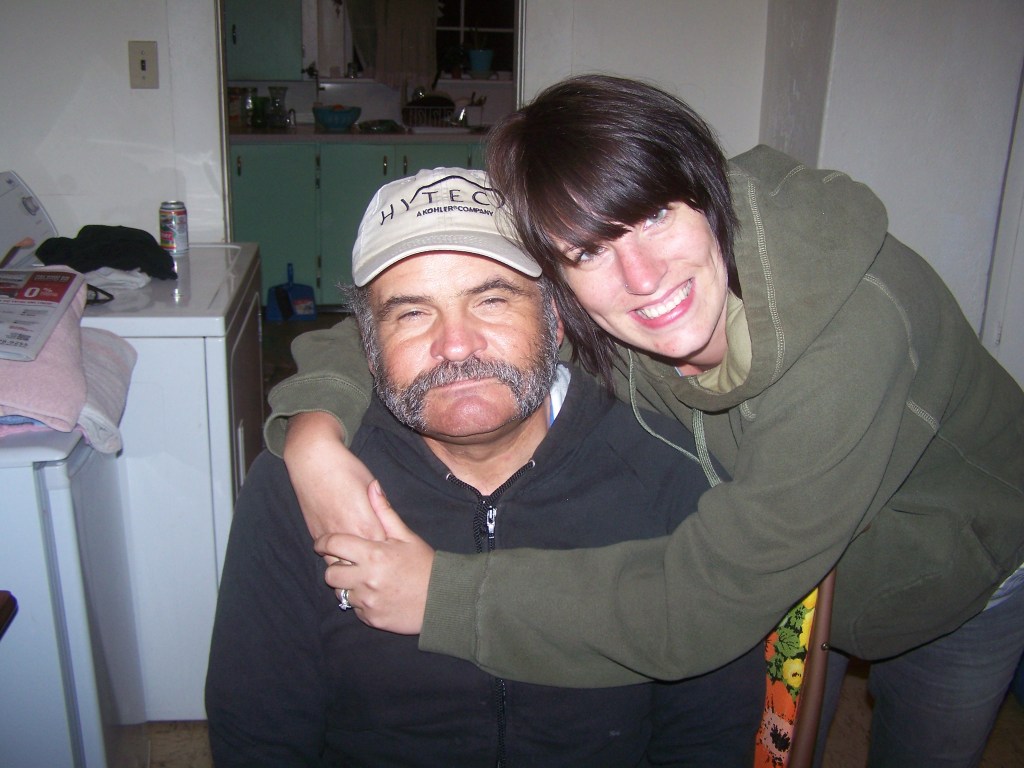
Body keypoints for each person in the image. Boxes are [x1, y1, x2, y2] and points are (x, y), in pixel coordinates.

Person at [265, 77, 1024, 768]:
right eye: (588, 250)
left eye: (655, 215)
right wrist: (311, 431)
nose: (642, 277)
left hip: (956, 575)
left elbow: (701, 604)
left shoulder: (854, 335)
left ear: (707, 187)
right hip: (789, 570)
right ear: (557, 288)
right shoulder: (606, 311)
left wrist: (441, 595)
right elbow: (425, 319)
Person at [206, 167, 764, 766]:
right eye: (412, 314)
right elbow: (258, 732)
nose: (456, 345)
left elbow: (707, 732)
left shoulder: (667, 466)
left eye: (492, 300)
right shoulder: (296, 487)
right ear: (368, 347)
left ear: (555, 318)